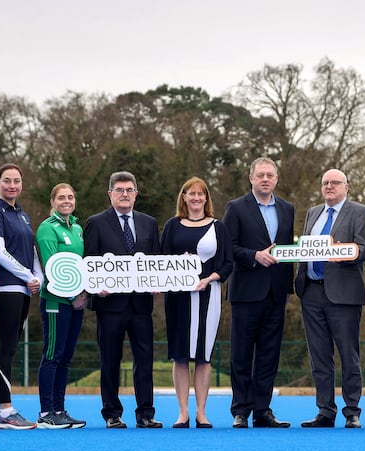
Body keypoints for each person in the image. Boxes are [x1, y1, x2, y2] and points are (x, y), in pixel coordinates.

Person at [84, 171, 163, 429]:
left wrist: (157, 282)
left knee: (145, 360)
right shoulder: (95, 223)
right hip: (110, 306)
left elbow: (156, 261)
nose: (125, 194)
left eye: (129, 190)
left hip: (141, 305)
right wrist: (95, 288)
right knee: (110, 360)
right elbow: (88, 262)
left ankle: (146, 414)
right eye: (119, 190)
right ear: (110, 194)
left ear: (136, 194)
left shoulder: (149, 223)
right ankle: (112, 414)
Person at [295, 168, 365, 428]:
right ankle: (325, 411)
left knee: (349, 356)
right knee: (319, 357)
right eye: (325, 183)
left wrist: (346, 252)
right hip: (311, 292)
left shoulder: (359, 212)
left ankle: (352, 411)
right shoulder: (312, 213)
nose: (329, 187)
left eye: (335, 183)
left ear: (346, 187)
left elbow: (364, 248)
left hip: (344, 295)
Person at [223, 158, 294, 429]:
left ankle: (262, 410)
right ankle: (241, 410)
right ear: (251, 178)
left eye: (270, 175)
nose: (265, 179)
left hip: (276, 295)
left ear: (276, 179)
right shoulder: (236, 207)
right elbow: (228, 247)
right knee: (241, 354)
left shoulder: (288, 209)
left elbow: (288, 250)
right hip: (245, 293)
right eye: (260, 175)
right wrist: (254, 256)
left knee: (269, 355)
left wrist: (288, 289)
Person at [161, 177, 233, 428]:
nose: (195, 198)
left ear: (206, 198)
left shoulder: (218, 227)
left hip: (208, 296)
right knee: (180, 356)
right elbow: (160, 261)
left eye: (200, 194)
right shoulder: (172, 226)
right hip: (178, 298)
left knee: (203, 356)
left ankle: (202, 412)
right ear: (183, 197)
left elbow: (227, 264)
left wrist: (209, 279)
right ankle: (183, 413)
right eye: (190, 194)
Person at [0, 163, 43, 430]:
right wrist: (26, 276)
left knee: (6, 347)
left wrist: (38, 277)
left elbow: (31, 251)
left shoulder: (23, 215)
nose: (12, 185)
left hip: (24, 288)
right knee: (7, 347)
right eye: (7, 180)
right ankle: (6, 411)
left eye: (16, 181)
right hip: (6, 287)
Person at [35, 183, 87, 429]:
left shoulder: (77, 228)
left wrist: (84, 292)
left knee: (65, 357)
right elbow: (51, 269)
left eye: (70, 197)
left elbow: (82, 267)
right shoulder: (48, 228)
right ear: (53, 201)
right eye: (61, 197)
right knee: (52, 355)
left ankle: (59, 409)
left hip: (77, 301)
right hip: (56, 301)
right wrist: (72, 296)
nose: (67, 201)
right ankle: (46, 412)